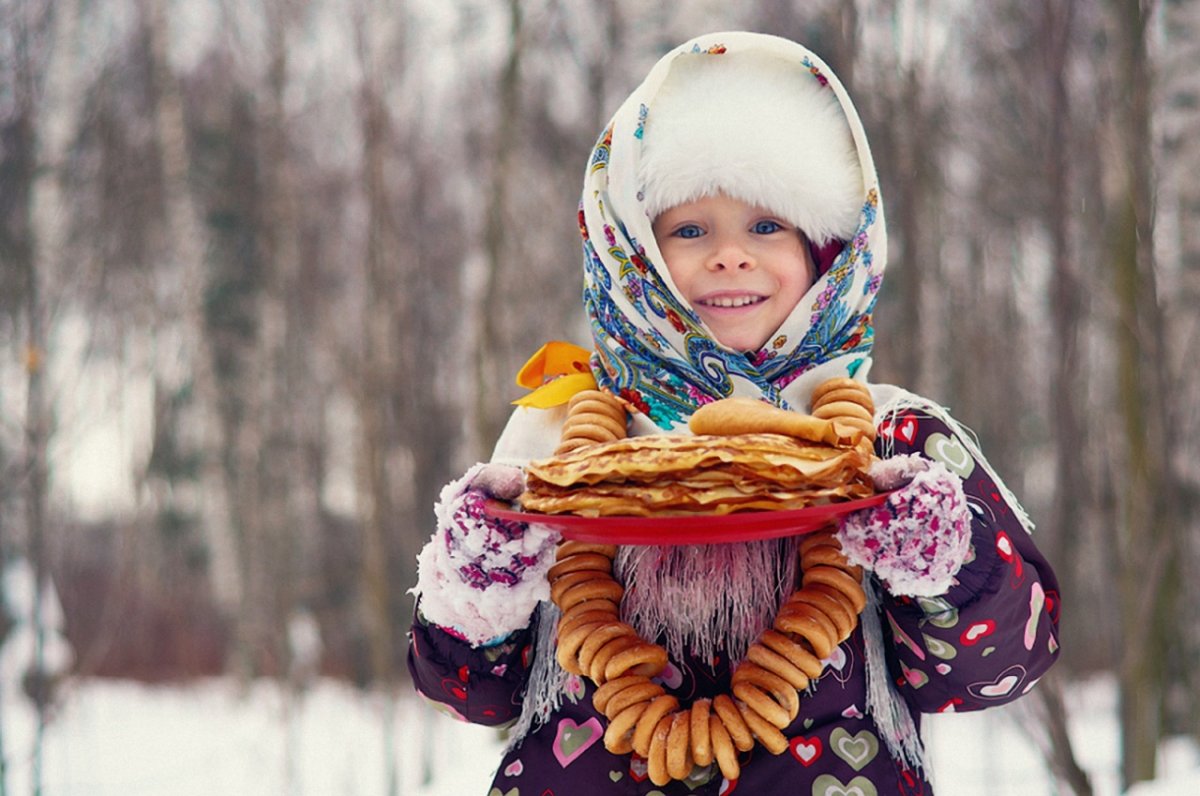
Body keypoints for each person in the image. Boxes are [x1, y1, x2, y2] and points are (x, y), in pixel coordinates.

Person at [407, 31, 1060, 795]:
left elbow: (994, 670)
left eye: (766, 225)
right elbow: (470, 693)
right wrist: (482, 574)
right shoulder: (554, 446)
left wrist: (938, 560)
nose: (729, 255)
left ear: (826, 251)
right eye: (689, 230)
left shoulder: (894, 444)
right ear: (631, 257)